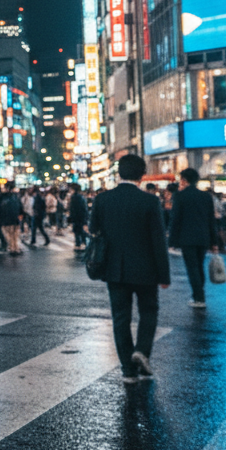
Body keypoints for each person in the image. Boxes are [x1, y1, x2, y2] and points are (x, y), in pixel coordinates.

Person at [89, 154, 170, 384]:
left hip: (114, 268)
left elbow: (93, 229)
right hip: (146, 269)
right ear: (142, 175)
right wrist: (164, 275)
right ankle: (142, 351)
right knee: (149, 311)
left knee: (120, 318)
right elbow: (158, 241)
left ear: (118, 174)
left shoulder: (103, 200)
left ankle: (128, 370)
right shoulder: (150, 201)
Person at [168, 168, 216, 309]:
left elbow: (175, 220)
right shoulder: (206, 196)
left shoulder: (180, 196)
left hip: (187, 237)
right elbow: (211, 220)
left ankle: (198, 297)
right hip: (203, 237)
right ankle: (200, 295)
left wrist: (172, 241)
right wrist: (214, 241)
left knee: (192, 267)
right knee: (199, 266)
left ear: (184, 180)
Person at [0, 182, 25, 255]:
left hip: (6, 219)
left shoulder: (2, 197)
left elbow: (0, 209)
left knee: (9, 235)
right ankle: (15, 248)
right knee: (15, 235)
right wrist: (21, 215)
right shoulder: (16, 197)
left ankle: (12, 249)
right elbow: (20, 207)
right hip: (15, 219)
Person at [68, 183, 89, 250]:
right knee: (81, 230)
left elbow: (72, 208)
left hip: (76, 217)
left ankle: (78, 244)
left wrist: (71, 217)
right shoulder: (81, 197)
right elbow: (84, 208)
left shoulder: (74, 197)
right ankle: (83, 243)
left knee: (77, 231)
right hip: (82, 216)